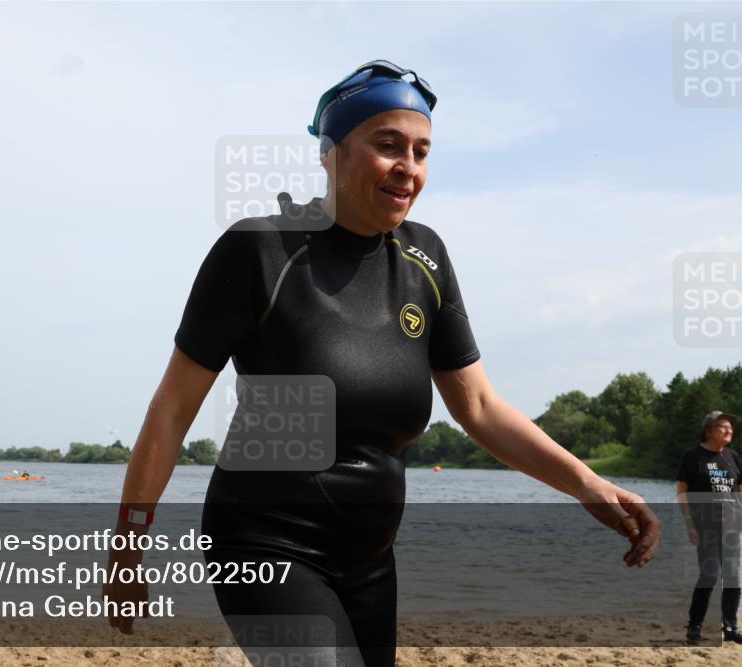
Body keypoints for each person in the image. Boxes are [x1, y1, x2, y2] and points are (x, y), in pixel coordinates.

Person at [104, 60, 661, 665]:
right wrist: (129, 543)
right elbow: (173, 408)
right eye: (387, 145)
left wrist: (589, 485)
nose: (409, 168)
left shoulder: (425, 258)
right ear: (332, 152)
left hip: (369, 559)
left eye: (422, 151)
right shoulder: (260, 249)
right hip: (263, 542)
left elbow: (477, 407)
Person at [676, 410, 742, 644]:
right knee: (710, 575)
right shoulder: (692, 456)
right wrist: (689, 525)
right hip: (706, 528)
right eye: (723, 427)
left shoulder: (733, 457)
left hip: (732, 527)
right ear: (709, 430)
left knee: (733, 576)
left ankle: (731, 628)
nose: (729, 431)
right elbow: (682, 494)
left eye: (731, 428)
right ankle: (695, 626)